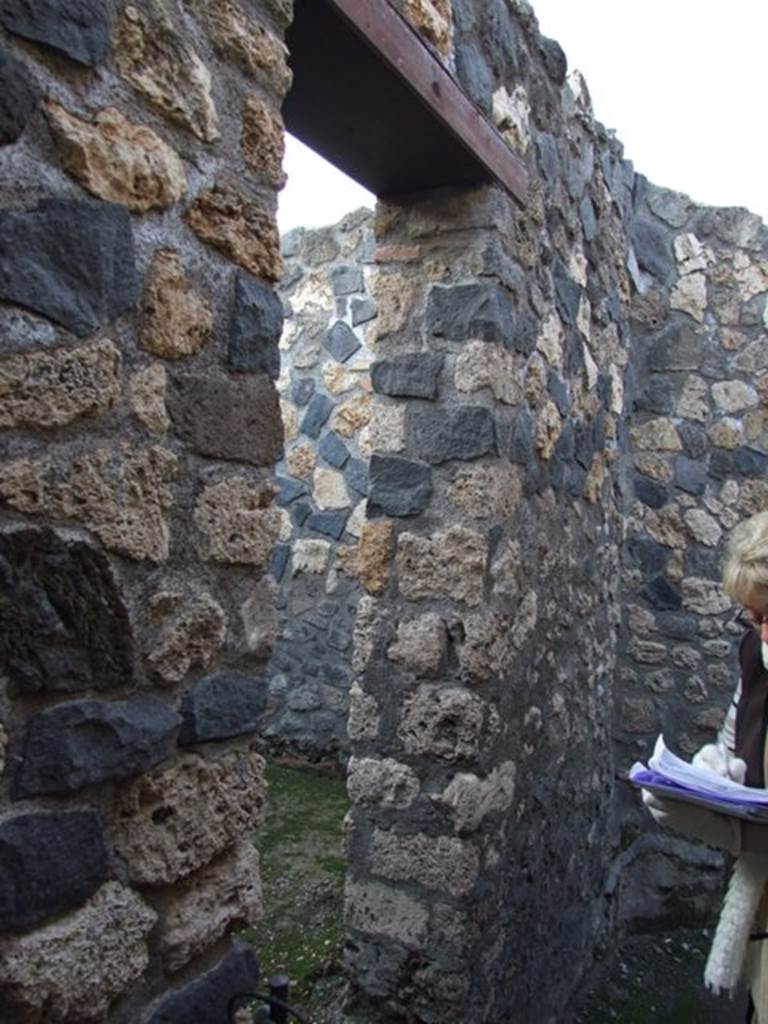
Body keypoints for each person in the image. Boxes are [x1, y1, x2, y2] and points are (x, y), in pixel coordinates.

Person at [642, 510, 768, 1023]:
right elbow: (735, 741)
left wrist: (741, 830)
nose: (763, 633)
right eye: (754, 618)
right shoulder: (756, 656)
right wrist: (716, 774)